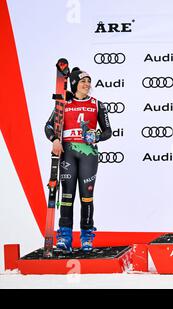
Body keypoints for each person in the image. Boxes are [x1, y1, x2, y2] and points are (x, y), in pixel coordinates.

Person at [45, 67, 112, 252]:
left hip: (88, 155)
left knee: (86, 197)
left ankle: (86, 237)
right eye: (83, 81)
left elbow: (108, 131)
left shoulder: (97, 104)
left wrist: (97, 136)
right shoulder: (63, 103)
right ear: (74, 84)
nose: (87, 85)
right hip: (68, 153)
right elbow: (49, 126)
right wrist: (55, 140)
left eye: (89, 81)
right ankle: (64, 237)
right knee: (67, 196)